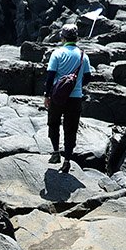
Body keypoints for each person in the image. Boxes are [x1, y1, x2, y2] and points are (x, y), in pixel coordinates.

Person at [43, 22, 91, 173]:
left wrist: (47, 95)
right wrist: (76, 85)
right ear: (76, 38)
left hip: (57, 97)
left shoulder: (57, 53)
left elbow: (50, 77)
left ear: (62, 38)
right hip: (75, 98)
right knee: (71, 130)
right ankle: (67, 160)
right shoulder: (83, 55)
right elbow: (88, 77)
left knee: (53, 123)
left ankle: (56, 152)